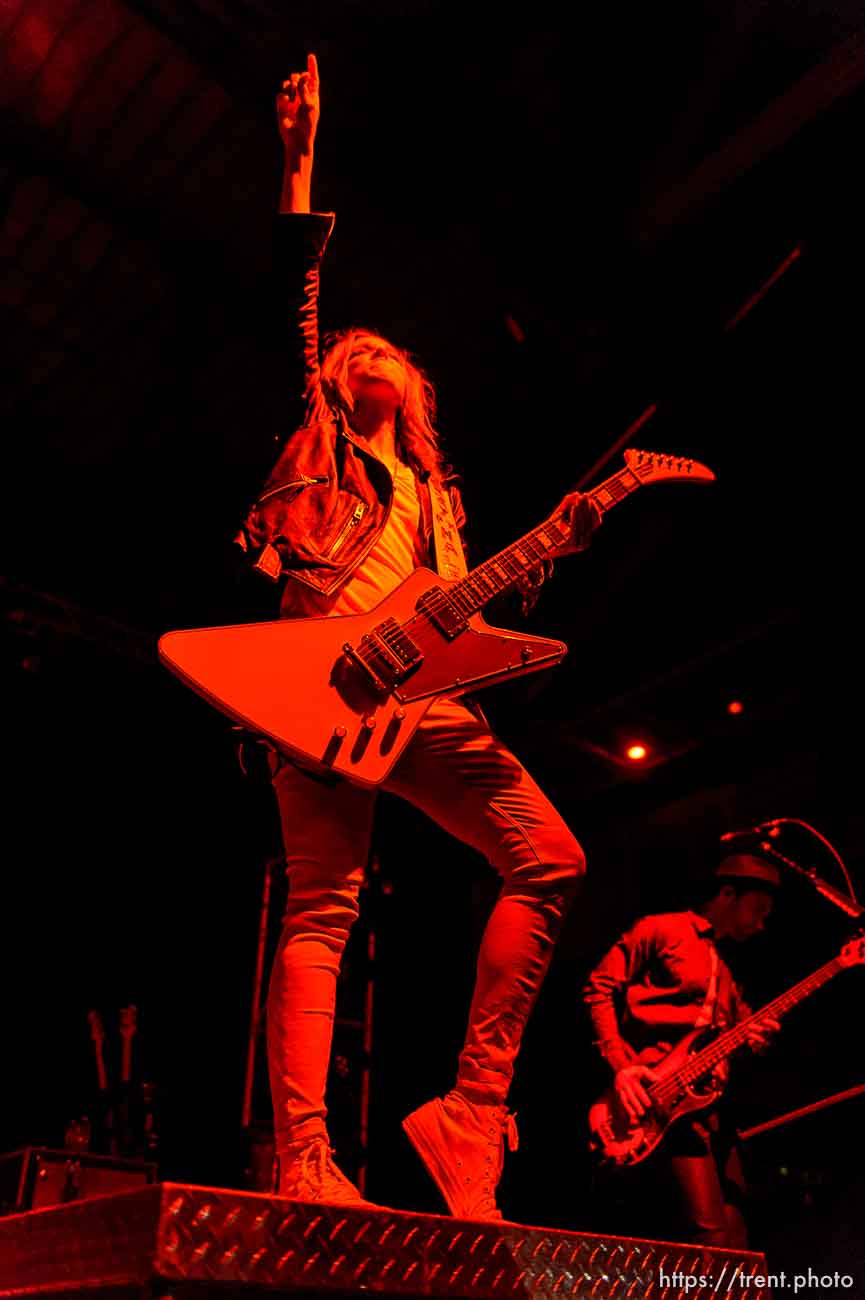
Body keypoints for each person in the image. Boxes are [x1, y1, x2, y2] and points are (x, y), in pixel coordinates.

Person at [234, 54, 602, 1219]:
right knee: (321, 909)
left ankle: (469, 1113)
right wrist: (297, 163)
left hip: (421, 698)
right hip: (314, 681)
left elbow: (464, 621)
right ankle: (305, 1159)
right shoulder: (326, 446)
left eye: (386, 349)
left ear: (418, 387)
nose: (368, 348)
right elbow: (293, 303)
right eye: (352, 351)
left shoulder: (437, 499)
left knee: (549, 859)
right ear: (337, 383)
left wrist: (558, 541)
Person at [582, 853, 782, 1247]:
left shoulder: (727, 973)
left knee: (737, 1231)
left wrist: (756, 1040)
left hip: (711, 1114)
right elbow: (599, 987)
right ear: (727, 893)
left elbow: (736, 1041)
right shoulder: (661, 930)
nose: (761, 925)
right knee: (709, 1238)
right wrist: (621, 1067)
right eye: (757, 910)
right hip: (659, 1106)